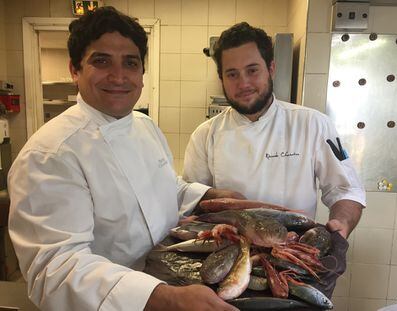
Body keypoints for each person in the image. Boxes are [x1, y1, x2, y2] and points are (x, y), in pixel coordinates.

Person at [7, 7, 240, 311]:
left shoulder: (144, 126)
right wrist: (163, 297)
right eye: (101, 61)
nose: (118, 76)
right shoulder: (50, 153)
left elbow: (166, 187)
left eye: (130, 63)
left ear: (142, 73)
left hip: (173, 282)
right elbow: (55, 269)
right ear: (74, 70)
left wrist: (215, 196)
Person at [183, 22, 366, 297]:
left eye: (252, 70)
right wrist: (210, 196)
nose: (243, 83)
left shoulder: (312, 124)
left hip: (292, 259)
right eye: (232, 74)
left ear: (271, 68)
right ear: (221, 78)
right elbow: (191, 201)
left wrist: (342, 223)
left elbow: (345, 189)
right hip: (231, 264)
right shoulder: (205, 134)